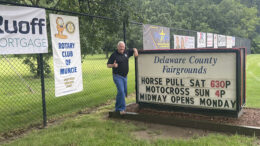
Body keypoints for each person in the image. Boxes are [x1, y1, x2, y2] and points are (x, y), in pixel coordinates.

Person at [107, 41, 138, 114]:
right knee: (121, 91)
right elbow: (108, 65)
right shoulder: (114, 55)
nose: (122, 48)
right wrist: (113, 65)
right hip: (117, 76)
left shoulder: (126, 52)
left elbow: (133, 49)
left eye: (123, 47)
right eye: (120, 47)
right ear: (117, 47)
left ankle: (117, 108)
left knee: (122, 92)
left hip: (125, 76)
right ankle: (122, 109)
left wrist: (135, 51)